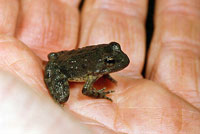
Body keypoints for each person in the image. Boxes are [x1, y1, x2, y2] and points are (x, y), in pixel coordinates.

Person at [0, 0, 199, 133]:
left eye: (114, 54)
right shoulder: (92, 74)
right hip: (60, 68)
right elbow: (87, 90)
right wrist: (101, 94)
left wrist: (105, 74)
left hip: (63, 57)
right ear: (101, 67)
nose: (117, 63)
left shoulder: (98, 67)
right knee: (63, 96)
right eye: (111, 64)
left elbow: (58, 57)